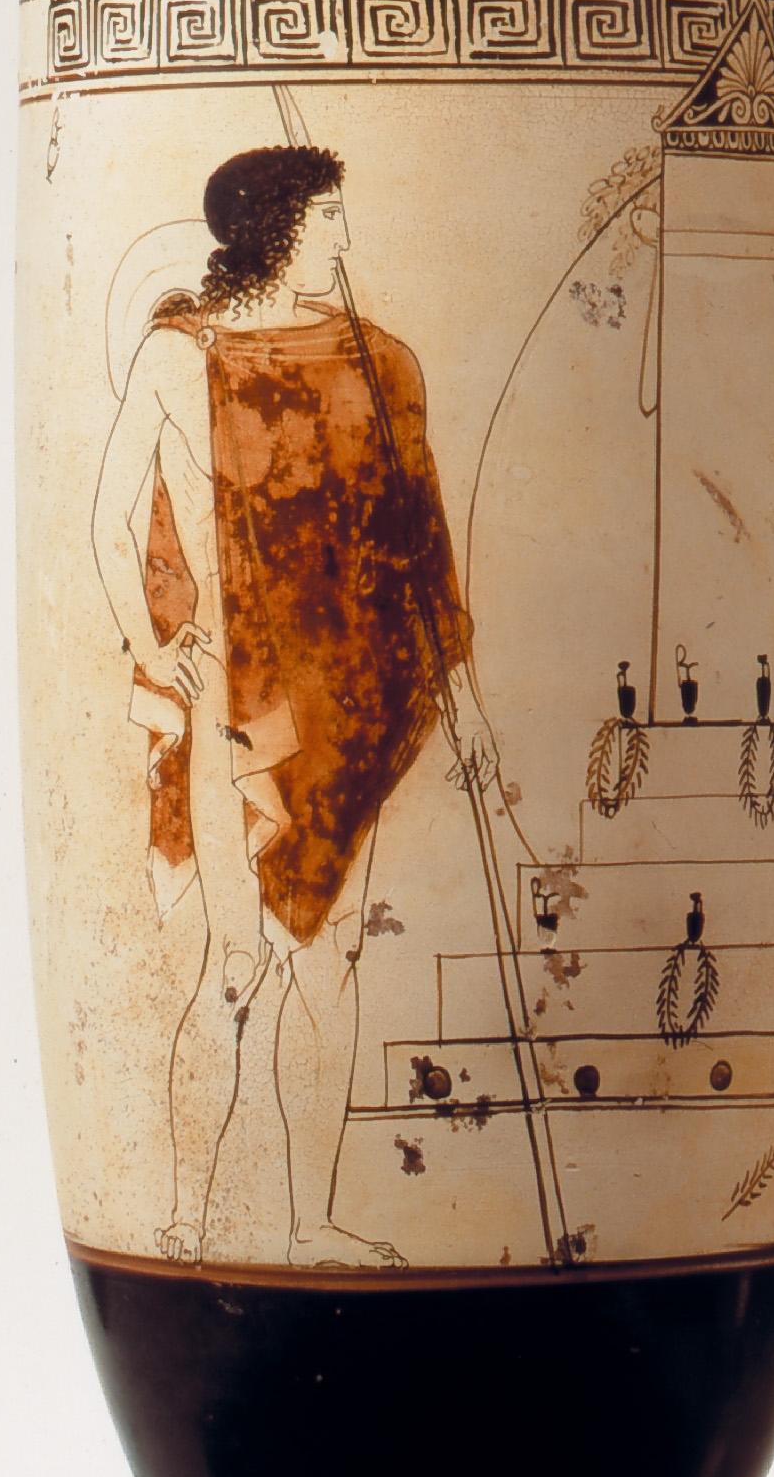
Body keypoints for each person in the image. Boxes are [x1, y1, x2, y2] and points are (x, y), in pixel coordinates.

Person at [92, 144, 492, 1267]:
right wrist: (153, 646)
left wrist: (452, 687)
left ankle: (309, 1222)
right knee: (235, 962)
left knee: (330, 959)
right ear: (277, 230)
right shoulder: (182, 352)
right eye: (327, 219)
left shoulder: (374, 357)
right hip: (241, 702)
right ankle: (181, 1219)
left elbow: (416, 531)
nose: (342, 240)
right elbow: (111, 517)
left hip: (348, 694)